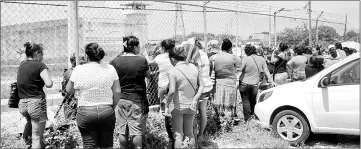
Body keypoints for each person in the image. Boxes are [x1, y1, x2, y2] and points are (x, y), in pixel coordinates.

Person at [66, 43, 121, 148]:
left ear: (86, 56)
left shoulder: (78, 69)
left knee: (89, 145)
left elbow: (69, 90)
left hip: (86, 111)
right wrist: (112, 107)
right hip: (106, 109)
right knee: (107, 145)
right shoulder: (110, 69)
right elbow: (117, 91)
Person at [110, 36, 151, 149]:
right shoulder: (141, 60)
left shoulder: (115, 61)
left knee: (122, 129)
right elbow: (148, 74)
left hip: (120, 99)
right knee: (136, 130)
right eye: (139, 46)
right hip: (137, 99)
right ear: (135, 47)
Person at [164, 46, 204, 149]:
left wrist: (167, 105)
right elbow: (202, 85)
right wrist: (195, 99)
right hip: (191, 106)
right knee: (190, 134)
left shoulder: (172, 71)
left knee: (178, 136)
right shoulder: (194, 67)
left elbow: (172, 91)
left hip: (178, 107)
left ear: (173, 59)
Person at [17, 42, 53, 149]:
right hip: (36, 103)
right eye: (42, 54)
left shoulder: (22, 64)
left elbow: (23, 57)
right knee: (36, 138)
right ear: (37, 53)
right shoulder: (40, 65)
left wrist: (22, 53)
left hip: (22, 104)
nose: (43, 57)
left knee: (30, 121)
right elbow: (49, 83)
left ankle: (22, 143)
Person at [144, 39, 175, 147]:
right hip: (175, 85)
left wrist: (146, 54)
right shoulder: (176, 56)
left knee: (164, 109)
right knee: (174, 107)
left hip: (163, 86)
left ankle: (170, 134)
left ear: (163, 48)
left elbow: (149, 63)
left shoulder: (160, 58)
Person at [238, 44, 275, 122]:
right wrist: (271, 81)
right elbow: (266, 70)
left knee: (245, 100)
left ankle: (247, 119)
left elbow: (240, 69)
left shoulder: (246, 59)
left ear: (246, 52)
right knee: (253, 100)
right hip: (255, 84)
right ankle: (253, 115)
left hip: (244, 83)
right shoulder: (261, 59)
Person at [209, 38, 241, 120]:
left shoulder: (213, 57)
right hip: (230, 84)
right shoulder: (234, 57)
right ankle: (230, 119)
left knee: (219, 102)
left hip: (218, 84)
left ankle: (219, 119)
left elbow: (210, 70)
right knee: (229, 103)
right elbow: (240, 65)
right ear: (230, 48)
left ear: (221, 48)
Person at [60, 53, 86, 123]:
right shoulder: (70, 72)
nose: (83, 64)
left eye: (84, 62)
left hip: (81, 101)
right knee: (71, 123)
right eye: (81, 62)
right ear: (74, 62)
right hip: (71, 102)